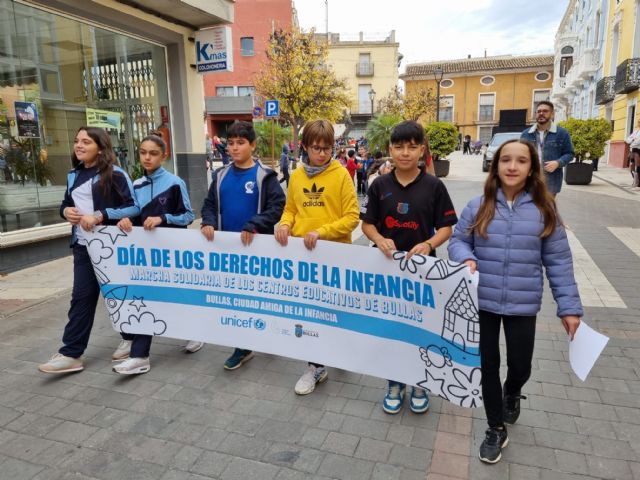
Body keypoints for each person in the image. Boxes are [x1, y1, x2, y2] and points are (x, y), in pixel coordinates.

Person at [448, 139, 582, 464]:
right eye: (505, 160)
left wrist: (569, 308)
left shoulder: (544, 209)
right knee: (488, 366)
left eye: (520, 161)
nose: (512, 166)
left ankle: (513, 390)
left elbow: (559, 262)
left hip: (524, 305)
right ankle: (495, 427)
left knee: (520, 365)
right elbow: (457, 240)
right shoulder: (478, 205)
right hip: (484, 301)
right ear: (495, 166)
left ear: (531, 168)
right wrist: (465, 257)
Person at [360, 120, 458, 414]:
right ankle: (395, 382)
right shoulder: (379, 185)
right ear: (390, 149)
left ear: (422, 150)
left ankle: (420, 382)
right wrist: (379, 238)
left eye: (412, 147)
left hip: (423, 274)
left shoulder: (434, 185)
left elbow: (446, 228)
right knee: (392, 329)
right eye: (399, 147)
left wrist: (428, 244)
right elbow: (367, 225)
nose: (405, 153)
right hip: (387, 273)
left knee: (422, 329)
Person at [38, 127, 140, 374]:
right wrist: (66, 213)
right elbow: (65, 204)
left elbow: (133, 207)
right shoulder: (74, 175)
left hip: (111, 246)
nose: (79, 145)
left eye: (86, 141)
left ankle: (131, 337)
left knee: (116, 295)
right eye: (76, 141)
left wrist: (100, 215)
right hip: (83, 247)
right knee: (82, 297)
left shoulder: (115, 174)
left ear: (101, 147)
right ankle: (71, 353)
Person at [275, 119, 359, 395]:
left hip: (334, 256)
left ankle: (341, 349)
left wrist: (322, 232)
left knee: (335, 311)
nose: (321, 154)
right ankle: (316, 367)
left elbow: (352, 217)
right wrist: (285, 224)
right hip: (304, 257)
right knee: (310, 314)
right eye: (315, 148)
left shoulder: (341, 175)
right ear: (305, 147)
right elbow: (291, 209)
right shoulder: (297, 176)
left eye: (326, 148)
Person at [201, 120, 285, 370]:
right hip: (229, 251)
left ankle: (270, 335)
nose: (234, 148)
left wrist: (255, 224)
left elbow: (277, 207)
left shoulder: (265, 176)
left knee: (262, 297)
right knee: (236, 299)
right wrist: (207, 222)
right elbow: (208, 205)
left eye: (241, 143)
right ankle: (242, 347)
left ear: (253, 145)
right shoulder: (220, 175)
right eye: (231, 143)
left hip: (258, 250)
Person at [113, 134, 196, 374]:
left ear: (164, 155)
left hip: (171, 252)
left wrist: (163, 218)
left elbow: (189, 215)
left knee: (176, 296)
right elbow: (136, 214)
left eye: (153, 153)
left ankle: (194, 333)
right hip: (145, 255)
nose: (147, 157)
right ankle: (140, 355)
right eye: (143, 152)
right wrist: (127, 221)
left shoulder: (174, 182)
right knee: (146, 298)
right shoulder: (136, 184)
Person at [521, 101, 574, 196]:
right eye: (539, 111)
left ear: (552, 114)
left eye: (545, 111)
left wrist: (558, 163)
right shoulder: (526, 134)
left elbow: (569, 153)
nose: (541, 113)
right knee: (529, 209)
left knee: (547, 209)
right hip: (529, 180)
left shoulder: (562, 133)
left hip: (551, 181)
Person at [625, 118, 640, 188]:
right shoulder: (636, 131)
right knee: (632, 167)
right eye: (639, 122)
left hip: (638, 151)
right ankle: (635, 181)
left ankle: (638, 184)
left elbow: (638, 142)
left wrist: (632, 141)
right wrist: (632, 140)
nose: (639, 123)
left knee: (638, 167)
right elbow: (627, 139)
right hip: (633, 150)